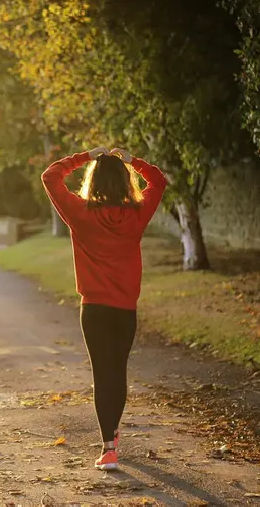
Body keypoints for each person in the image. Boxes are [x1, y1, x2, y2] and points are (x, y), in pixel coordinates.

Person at [41, 146, 168, 471]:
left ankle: (108, 447)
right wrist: (132, 161)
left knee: (102, 373)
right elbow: (158, 181)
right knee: (118, 371)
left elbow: (50, 176)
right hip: (125, 309)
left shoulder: (80, 214)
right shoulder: (137, 215)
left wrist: (85, 156)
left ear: (93, 181)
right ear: (125, 182)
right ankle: (112, 435)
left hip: (94, 310)